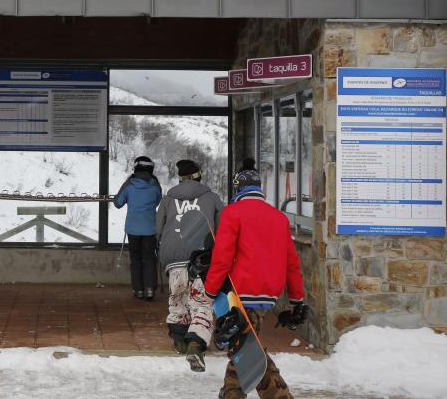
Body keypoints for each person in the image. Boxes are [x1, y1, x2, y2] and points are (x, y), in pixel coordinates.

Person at [203, 158, 309, 399]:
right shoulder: (279, 217)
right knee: (243, 348)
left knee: (249, 353)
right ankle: (230, 393)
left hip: (239, 293)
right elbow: (292, 263)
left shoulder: (233, 213)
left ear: (238, 188)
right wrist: (297, 298)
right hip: (267, 294)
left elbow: (222, 258)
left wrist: (209, 291)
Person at [156, 159, 224, 372]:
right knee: (201, 303)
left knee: (177, 299)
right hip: (201, 261)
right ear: (198, 176)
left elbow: (157, 229)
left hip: (174, 260)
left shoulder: (168, 200)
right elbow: (222, 229)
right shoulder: (212, 198)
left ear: (180, 178)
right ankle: (195, 343)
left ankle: (179, 342)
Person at [114, 156, 162, 300]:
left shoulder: (129, 184)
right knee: (149, 258)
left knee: (135, 259)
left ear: (136, 168)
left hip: (133, 229)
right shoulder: (155, 185)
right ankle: (149, 290)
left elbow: (117, 203)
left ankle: (138, 290)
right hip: (150, 229)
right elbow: (158, 201)